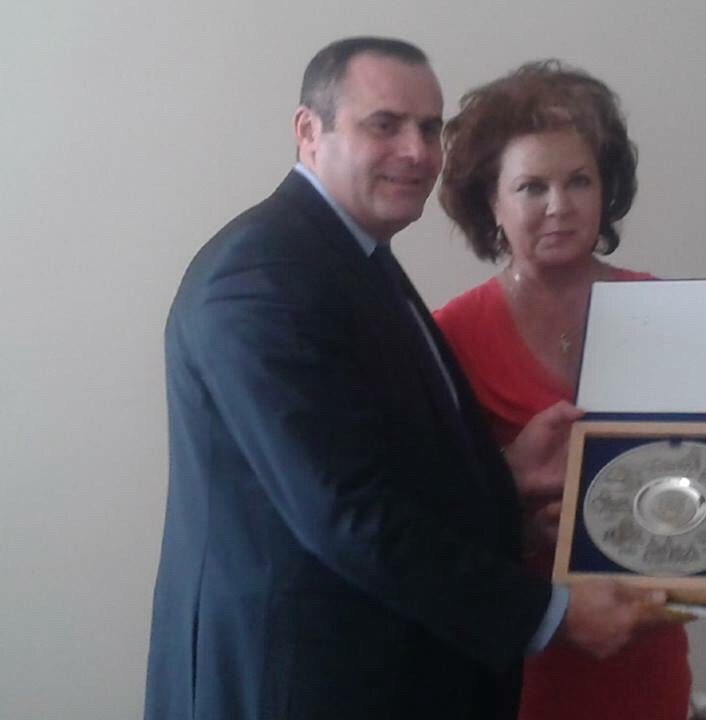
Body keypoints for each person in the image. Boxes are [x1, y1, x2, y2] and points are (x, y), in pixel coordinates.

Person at [144, 39, 678, 720]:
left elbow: (388, 475)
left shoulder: (354, 260)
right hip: (295, 687)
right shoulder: (260, 279)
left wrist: (501, 480)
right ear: (309, 132)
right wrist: (549, 614)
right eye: (385, 124)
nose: (417, 151)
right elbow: (348, 514)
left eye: (429, 129)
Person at [435, 61, 706, 720]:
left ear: (606, 188)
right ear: (490, 201)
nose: (559, 205)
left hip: (649, 661)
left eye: (579, 180)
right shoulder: (448, 337)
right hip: (519, 671)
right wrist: (514, 514)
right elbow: (422, 525)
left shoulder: (669, 314)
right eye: (531, 186)